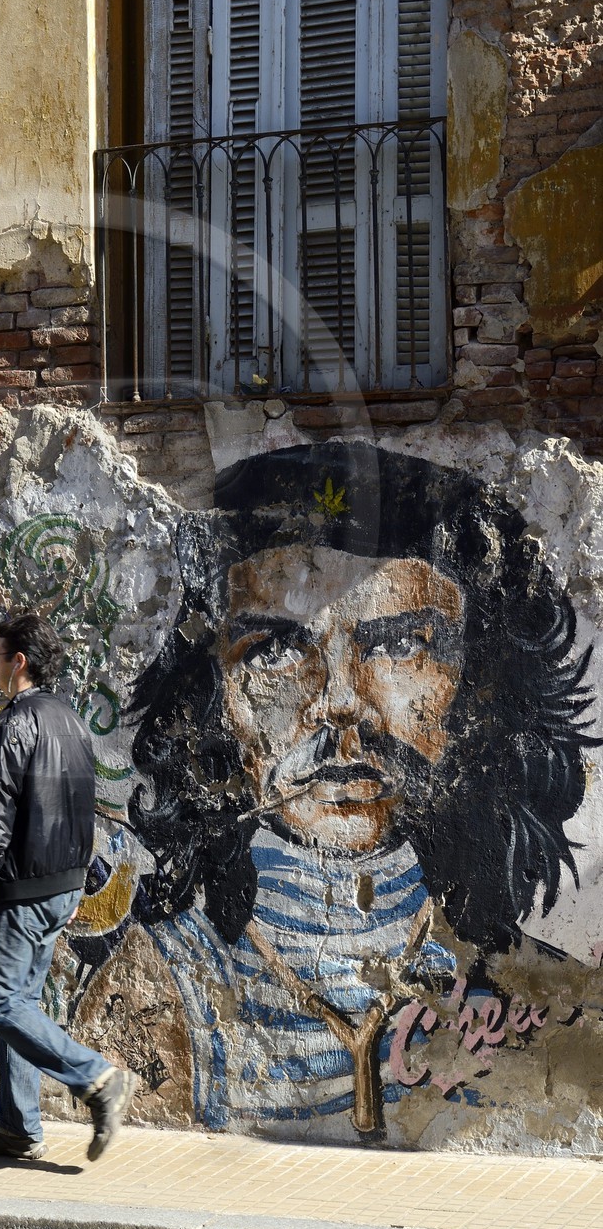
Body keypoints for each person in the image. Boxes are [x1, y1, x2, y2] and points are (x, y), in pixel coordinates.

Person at [76, 442, 595, 1139]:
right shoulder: (160, 988)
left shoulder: (536, 991)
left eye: (403, 643)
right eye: (276, 650)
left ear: (478, 689)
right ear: (214, 699)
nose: (342, 702)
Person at [0, 609, 137, 1161]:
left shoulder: (15, 723)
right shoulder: (72, 719)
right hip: (65, 884)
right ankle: (17, 1126)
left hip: (24, 888)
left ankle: (97, 1079)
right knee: (23, 1001)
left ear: (20, 662)